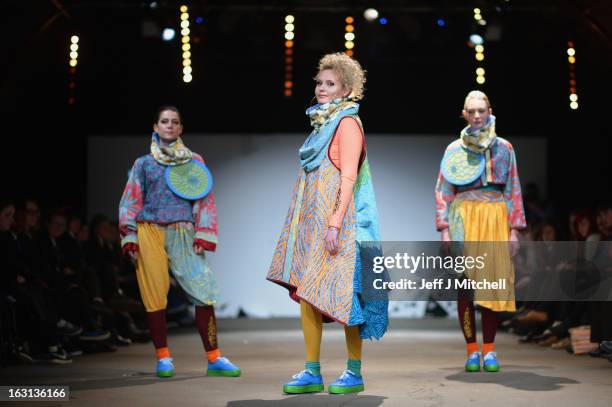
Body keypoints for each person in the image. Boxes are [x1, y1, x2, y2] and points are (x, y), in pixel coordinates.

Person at [267, 52, 388, 394]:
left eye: (330, 84)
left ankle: (354, 371)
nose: (321, 88)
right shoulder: (322, 125)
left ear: (347, 89)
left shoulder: (347, 123)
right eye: (319, 83)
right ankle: (311, 371)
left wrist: (335, 222)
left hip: (342, 225)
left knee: (348, 297)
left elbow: (348, 177)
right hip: (316, 224)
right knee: (308, 293)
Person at [118, 105, 240, 378]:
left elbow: (203, 198)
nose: (169, 126)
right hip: (149, 230)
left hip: (183, 230)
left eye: (174, 122)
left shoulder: (194, 161)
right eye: (164, 121)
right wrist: (130, 236)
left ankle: (214, 357)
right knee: (155, 292)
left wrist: (203, 233)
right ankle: (163, 357)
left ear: (181, 128)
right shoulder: (143, 163)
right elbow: (131, 199)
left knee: (203, 291)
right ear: (155, 127)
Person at [435, 90, 526, 372]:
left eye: (481, 111)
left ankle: (489, 351)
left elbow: (513, 189)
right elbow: (442, 191)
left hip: (495, 217)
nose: (476, 116)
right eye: (471, 111)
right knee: (465, 286)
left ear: (489, 111)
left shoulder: (505, 148)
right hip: (463, 217)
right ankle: (471, 350)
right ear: (464, 114)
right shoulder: (454, 150)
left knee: (491, 285)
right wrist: (445, 230)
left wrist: (514, 230)